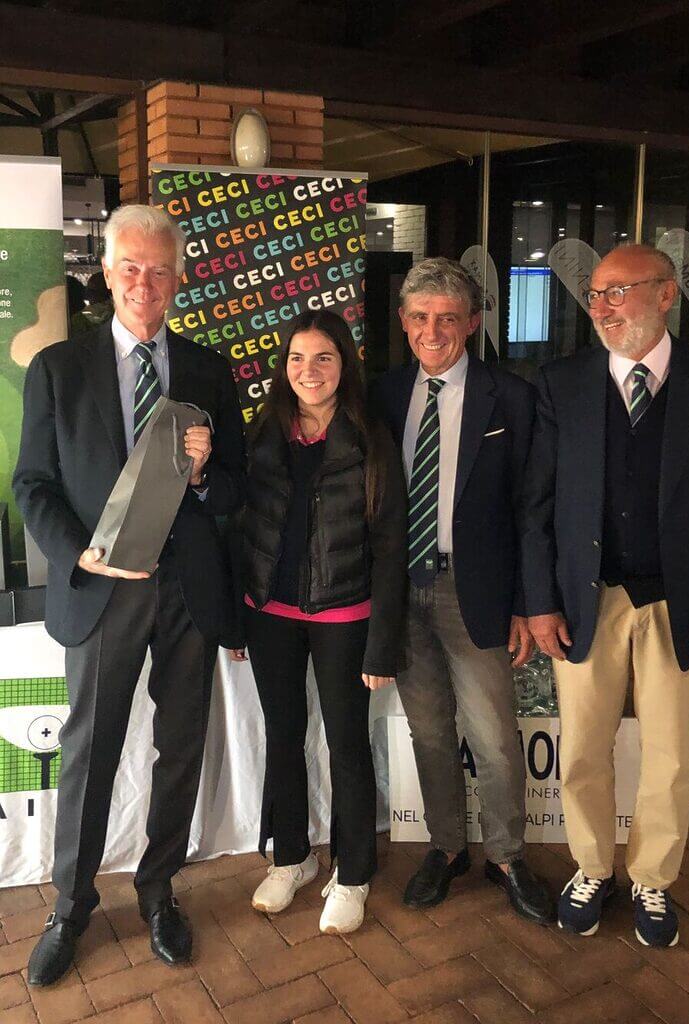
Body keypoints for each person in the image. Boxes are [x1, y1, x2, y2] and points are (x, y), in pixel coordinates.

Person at [13, 204, 245, 985]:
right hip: (102, 591)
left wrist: (206, 474)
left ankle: (158, 889)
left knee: (180, 748)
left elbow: (237, 488)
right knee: (91, 751)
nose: (146, 283)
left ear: (178, 280)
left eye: (160, 270)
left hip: (189, 592)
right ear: (107, 274)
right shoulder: (58, 369)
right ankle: (70, 905)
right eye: (131, 268)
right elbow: (33, 484)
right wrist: (81, 554)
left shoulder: (209, 370)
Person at [523, 244, 689, 947]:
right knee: (582, 748)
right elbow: (537, 505)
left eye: (617, 292)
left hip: (681, 602)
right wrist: (540, 601)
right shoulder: (563, 382)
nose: (601, 308)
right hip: (586, 599)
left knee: (671, 754)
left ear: (665, 295)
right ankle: (593, 867)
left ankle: (652, 878)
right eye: (595, 295)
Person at [372, 257, 555, 924]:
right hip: (401, 590)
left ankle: (506, 856)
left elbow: (530, 508)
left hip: (474, 593)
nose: (433, 331)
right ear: (403, 321)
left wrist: (525, 604)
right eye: (420, 317)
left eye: (448, 318)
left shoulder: (511, 397)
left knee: (495, 739)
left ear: (472, 322)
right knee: (428, 732)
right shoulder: (382, 394)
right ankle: (447, 848)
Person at [234, 309, 406, 934]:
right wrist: (238, 616)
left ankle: (353, 872)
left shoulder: (370, 436)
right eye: (298, 359)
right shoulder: (262, 433)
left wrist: (382, 644)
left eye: (324, 358)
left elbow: (390, 544)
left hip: (346, 614)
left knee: (346, 744)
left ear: (345, 365)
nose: (310, 371)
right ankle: (291, 857)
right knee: (283, 737)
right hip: (270, 615)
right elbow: (240, 524)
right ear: (284, 366)